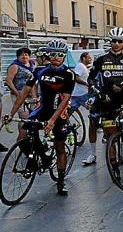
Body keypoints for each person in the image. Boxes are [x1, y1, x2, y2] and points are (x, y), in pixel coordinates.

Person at [4, 39, 75, 195]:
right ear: (48, 55)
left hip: (59, 112)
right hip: (42, 108)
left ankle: (61, 181)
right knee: (26, 128)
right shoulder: (39, 71)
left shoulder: (68, 74)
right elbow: (23, 93)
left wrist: (52, 120)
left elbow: (65, 99)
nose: (56, 57)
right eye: (52, 54)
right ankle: (37, 155)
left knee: (60, 146)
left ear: (64, 56)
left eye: (59, 54)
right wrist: (12, 113)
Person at [83, 27, 123, 166]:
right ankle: (113, 163)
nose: (116, 44)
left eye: (120, 41)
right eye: (114, 41)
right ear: (110, 42)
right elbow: (91, 78)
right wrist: (95, 89)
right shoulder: (101, 60)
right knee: (110, 133)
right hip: (106, 100)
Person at [4, 47, 36, 144]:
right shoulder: (15, 66)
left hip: (31, 96)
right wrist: (18, 94)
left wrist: (34, 96)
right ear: (18, 57)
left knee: (32, 118)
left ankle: (28, 138)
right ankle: (21, 139)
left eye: (26, 54)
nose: (24, 56)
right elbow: (8, 81)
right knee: (24, 117)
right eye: (22, 55)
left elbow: (34, 82)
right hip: (18, 95)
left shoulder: (32, 65)